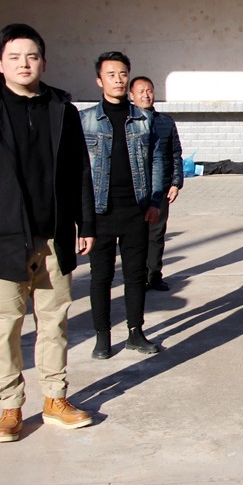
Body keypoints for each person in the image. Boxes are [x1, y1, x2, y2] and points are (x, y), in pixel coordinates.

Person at [0, 24, 96, 442]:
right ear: (0, 64)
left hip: (54, 235)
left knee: (54, 321)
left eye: (32, 56)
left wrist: (86, 223)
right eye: (15, 57)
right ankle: (10, 407)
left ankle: (55, 399)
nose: (24, 64)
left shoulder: (61, 108)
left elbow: (80, 171)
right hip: (2, 236)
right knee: (5, 326)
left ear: (43, 62)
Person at [80, 52, 166, 359]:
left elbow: (157, 160)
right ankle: (102, 336)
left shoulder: (144, 119)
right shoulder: (85, 120)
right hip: (100, 211)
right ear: (99, 80)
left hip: (136, 209)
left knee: (135, 275)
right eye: (111, 74)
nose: (118, 79)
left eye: (122, 74)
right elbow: (78, 170)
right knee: (101, 277)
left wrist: (155, 201)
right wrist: (81, 217)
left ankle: (135, 332)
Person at [128, 76, 183, 292]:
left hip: (160, 189)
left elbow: (175, 153)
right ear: (131, 96)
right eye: (140, 91)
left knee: (157, 234)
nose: (146, 95)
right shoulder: (126, 122)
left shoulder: (165, 122)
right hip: (133, 189)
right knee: (135, 236)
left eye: (149, 90)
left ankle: (154, 276)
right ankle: (137, 277)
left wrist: (176, 183)